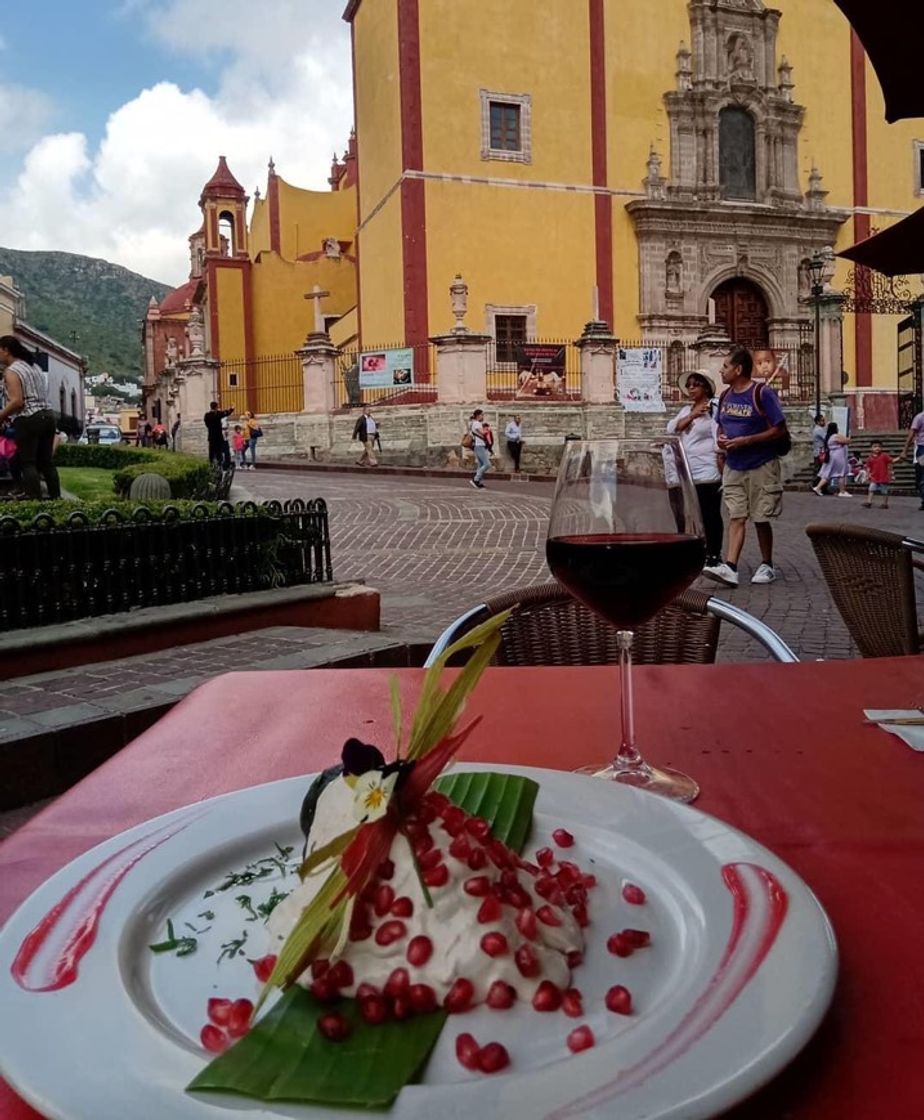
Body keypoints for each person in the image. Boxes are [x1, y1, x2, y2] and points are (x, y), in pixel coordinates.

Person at [704, 348, 788, 588]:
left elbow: (779, 428)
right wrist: (722, 438)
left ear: (738, 369)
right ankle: (730, 567)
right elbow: (720, 425)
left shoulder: (762, 393)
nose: (721, 370)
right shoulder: (726, 396)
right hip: (734, 464)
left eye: (725, 367)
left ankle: (767, 563)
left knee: (761, 517)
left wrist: (748, 440)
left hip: (761, 463)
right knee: (736, 515)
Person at [667, 371, 723, 569]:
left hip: (707, 470)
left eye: (695, 385)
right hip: (685, 470)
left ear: (706, 388)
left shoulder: (714, 410)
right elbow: (672, 429)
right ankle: (691, 551)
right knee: (686, 514)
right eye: (689, 385)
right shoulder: (685, 410)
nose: (691, 389)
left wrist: (722, 466)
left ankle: (714, 554)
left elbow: (719, 436)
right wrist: (692, 415)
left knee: (709, 514)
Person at [0, 336, 62, 500]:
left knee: (28, 462)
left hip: (29, 418)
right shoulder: (34, 367)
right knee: (46, 462)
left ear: (6, 350)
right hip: (47, 415)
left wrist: (1, 416)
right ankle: (56, 498)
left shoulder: (12, 371)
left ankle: (35, 500)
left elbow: (17, 401)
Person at [812, 422, 851, 498]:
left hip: (833, 456)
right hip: (838, 456)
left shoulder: (829, 437)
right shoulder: (835, 436)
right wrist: (848, 437)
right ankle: (842, 491)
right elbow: (847, 441)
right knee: (841, 473)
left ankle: (818, 487)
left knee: (828, 474)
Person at [897, 407, 924, 510]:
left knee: (922, 477)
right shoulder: (920, 417)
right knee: (922, 475)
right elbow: (911, 434)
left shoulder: (919, 417)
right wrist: (905, 450)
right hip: (922, 449)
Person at [863, 440, 892, 510]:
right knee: (871, 489)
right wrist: (867, 475)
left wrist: (900, 458)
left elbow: (891, 461)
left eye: (879, 446)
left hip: (883, 477)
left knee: (884, 491)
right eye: (875, 446)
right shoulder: (870, 458)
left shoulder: (884, 456)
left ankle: (885, 504)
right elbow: (868, 467)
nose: (877, 448)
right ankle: (869, 502)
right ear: (871, 448)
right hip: (874, 477)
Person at [203, 401, 234, 467]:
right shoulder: (218, 414)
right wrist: (232, 409)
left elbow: (206, 424)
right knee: (218, 451)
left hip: (211, 436)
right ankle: (219, 464)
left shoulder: (207, 415)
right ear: (216, 407)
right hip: (218, 436)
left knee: (211, 451)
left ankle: (211, 464)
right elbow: (226, 413)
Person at [469, 408, 491, 489]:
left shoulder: (474, 423)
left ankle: (478, 481)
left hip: (479, 445)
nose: (483, 416)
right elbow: (483, 433)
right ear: (478, 416)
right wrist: (488, 429)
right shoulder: (477, 423)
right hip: (479, 445)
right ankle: (476, 479)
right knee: (487, 464)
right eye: (482, 415)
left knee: (481, 464)